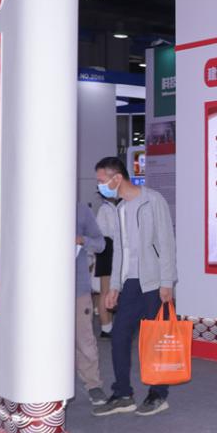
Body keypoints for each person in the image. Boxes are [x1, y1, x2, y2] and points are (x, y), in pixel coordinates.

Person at [91, 157, 177, 416]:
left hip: (154, 283)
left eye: (102, 180)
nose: (99, 186)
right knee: (119, 337)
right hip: (130, 283)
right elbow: (120, 249)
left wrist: (167, 282)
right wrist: (114, 286)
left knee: (155, 341)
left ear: (117, 178)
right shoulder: (119, 209)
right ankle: (123, 394)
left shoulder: (153, 201)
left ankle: (158, 394)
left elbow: (166, 242)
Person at [76, 202, 107, 406]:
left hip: (78, 289)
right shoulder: (33, 206)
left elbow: (100, 243)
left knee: (84, 339)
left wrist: (82, 240)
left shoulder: (81, 210)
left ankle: (93, 385)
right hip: (42, 293)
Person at [94, 194, 120, 338]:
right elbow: (108, 231)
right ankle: (105, 327)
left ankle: (109, 326)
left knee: (110, 290)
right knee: (105, 290)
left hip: (112, 249)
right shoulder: (104, 209)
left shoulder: (115, 207)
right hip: (107, 249)